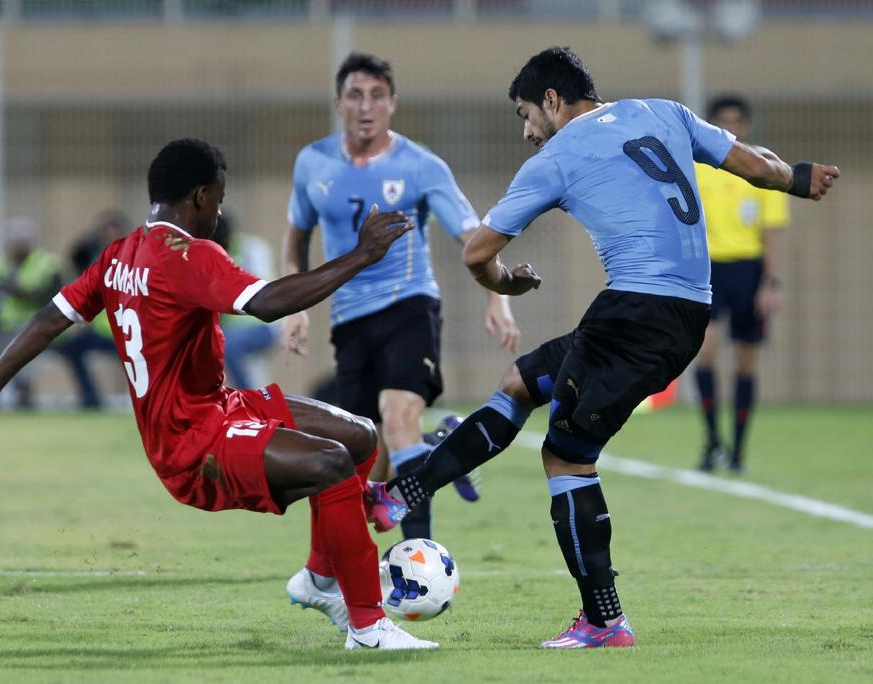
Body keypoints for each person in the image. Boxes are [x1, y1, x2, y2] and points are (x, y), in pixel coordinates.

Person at [371, 47, 839, 649]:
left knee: (566, 459)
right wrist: (798, 179)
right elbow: (753, 164)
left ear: (552, 101)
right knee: (520, 381)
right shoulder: (663, 111)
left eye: (526, 115)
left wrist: (506, 284)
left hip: (637, 317)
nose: (526, 132)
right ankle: (402, 493)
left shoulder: (558, 156)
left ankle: (604, 619)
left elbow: (475, 253)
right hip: (674, 309)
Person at [0, 138, 438, 651]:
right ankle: (370, 628)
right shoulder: (189, 256)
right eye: (218, 198)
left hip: (216, 406)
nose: (219, 212)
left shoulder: (119, 254)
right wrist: (362, 255)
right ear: (199, 196)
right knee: (329, 464)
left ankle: (321, 578)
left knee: (359, 435)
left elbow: (49, 320)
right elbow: (268, 303)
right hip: (192, 442)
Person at [281, 52, 521, 542]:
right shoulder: (312, 163)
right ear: (338, 103)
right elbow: (296, 239)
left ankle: (418, 557)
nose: (365, 106)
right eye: (355, 95)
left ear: (393, 103)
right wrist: (297, 306)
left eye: (376, 96)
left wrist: (499, 295)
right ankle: (440, 451)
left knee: (397, 415)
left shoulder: (420, 165)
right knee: (365, 456)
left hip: (410, 306)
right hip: (350, 319)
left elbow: (474, 236)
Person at [694, 96, 790, 473]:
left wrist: (771, 282)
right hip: (709, 270)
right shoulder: (700, 169)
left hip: (749, 272)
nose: (731, 127)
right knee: (704, 352)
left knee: (746, 362)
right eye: (723, 121)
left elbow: (773, 232)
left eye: (736, 121)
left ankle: (738, 450)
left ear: (746, 125)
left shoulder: (761, 166)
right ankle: (712, 441)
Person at [0, 216, 63, 407]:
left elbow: (48, 296)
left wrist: (18, 291)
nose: (16, 247)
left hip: (38, 326)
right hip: (3, 328)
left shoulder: (45, 263)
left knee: (24, 347)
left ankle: (23, 393)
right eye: (13, 243)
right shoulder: (3, 265)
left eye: (20, 243)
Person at [56, 209, 132, 408]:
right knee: (71, 349)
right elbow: (76, 256)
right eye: (103, 231)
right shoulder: (96, 260)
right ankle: (91, 397)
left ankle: (143, 400)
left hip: (126, 332)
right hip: (100, 332)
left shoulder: (133, 260)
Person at [210, 213, 280, 389]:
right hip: (231, 329)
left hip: (264, 325)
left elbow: (260, 287)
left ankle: (250, 397)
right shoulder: (212, 255)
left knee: (229, 345)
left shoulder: (250, 248)